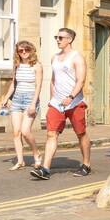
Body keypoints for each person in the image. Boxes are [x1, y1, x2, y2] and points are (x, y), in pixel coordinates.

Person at [30, 27, 91, 180]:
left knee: (81, 133)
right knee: (51, 134)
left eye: (61, 38)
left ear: (69, 40)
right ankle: (45, 169)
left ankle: (86, 164)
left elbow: (81, 80)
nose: (58, 40)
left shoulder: (77, 57)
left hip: (75, 102)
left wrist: (70, 97)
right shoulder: (54, 58)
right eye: (56, 37)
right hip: (57, 103)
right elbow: (53, 80)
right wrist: (52, 100)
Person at [0, 41, 43, 171]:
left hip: (30, 99)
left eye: (26, 50)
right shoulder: (17, 65)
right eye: (20, 50)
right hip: (17, 100)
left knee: (25, 131)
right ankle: (20, 161)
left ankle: (36, 153)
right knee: (16, 132)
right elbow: (14, 83)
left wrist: (33, 104)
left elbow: (38, 86)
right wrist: (6, 98)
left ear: (32, 50)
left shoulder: (37, 66)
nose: (24, 52)